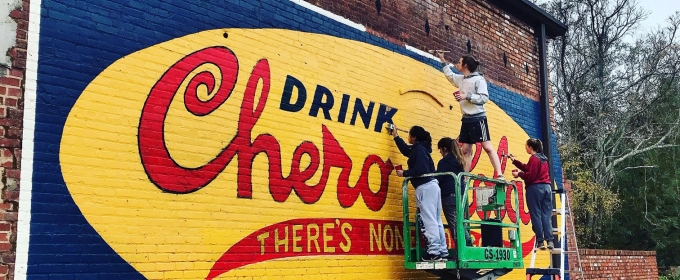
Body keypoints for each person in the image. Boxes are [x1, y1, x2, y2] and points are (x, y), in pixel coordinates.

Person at [436, 52, 505, 180]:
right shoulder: (461, 79)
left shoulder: (479, 80)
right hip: (466, 119)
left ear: (465, 65)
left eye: (459, 62)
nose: (457, 64)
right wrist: (442, 60)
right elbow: (449, 76)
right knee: (465, 150)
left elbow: (484, 98)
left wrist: (466, 96)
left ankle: (500, 174)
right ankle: (465, 178)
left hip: (478, 117)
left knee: (487, 147)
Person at [393, 125, 448, 261]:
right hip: (432, 186)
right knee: (436, 219)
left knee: (428, 219)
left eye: (409, 135)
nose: (408, 137)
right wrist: (396, 136)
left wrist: (405, 173)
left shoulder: (418, 150)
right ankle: (442, 251)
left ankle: (434, 252)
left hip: (425, 186)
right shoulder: (420, 149)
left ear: (414, 137)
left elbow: (421, 169)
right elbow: (406, 150)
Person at [509, 138, 554, 250]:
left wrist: (518, 174)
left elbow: (530, 176)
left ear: (530, 147)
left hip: (535, 188)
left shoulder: (533, 159)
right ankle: (549, 240)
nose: (525, 147)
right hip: (547, 188)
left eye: (526, 146)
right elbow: (528, 168)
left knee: (536, 214)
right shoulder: (543, 159)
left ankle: (540, 241)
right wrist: (514, 161)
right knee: (546, 215)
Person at [435, 137, 472, 252]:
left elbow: (438, 179)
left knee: (455, 225)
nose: (440, 152)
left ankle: (465, 249)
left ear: (444, 149)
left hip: (449, 196)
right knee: (460, 222)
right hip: (460, 195)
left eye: (440, 149)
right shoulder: (458, 160)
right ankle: (468, 244)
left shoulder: (443, 162)